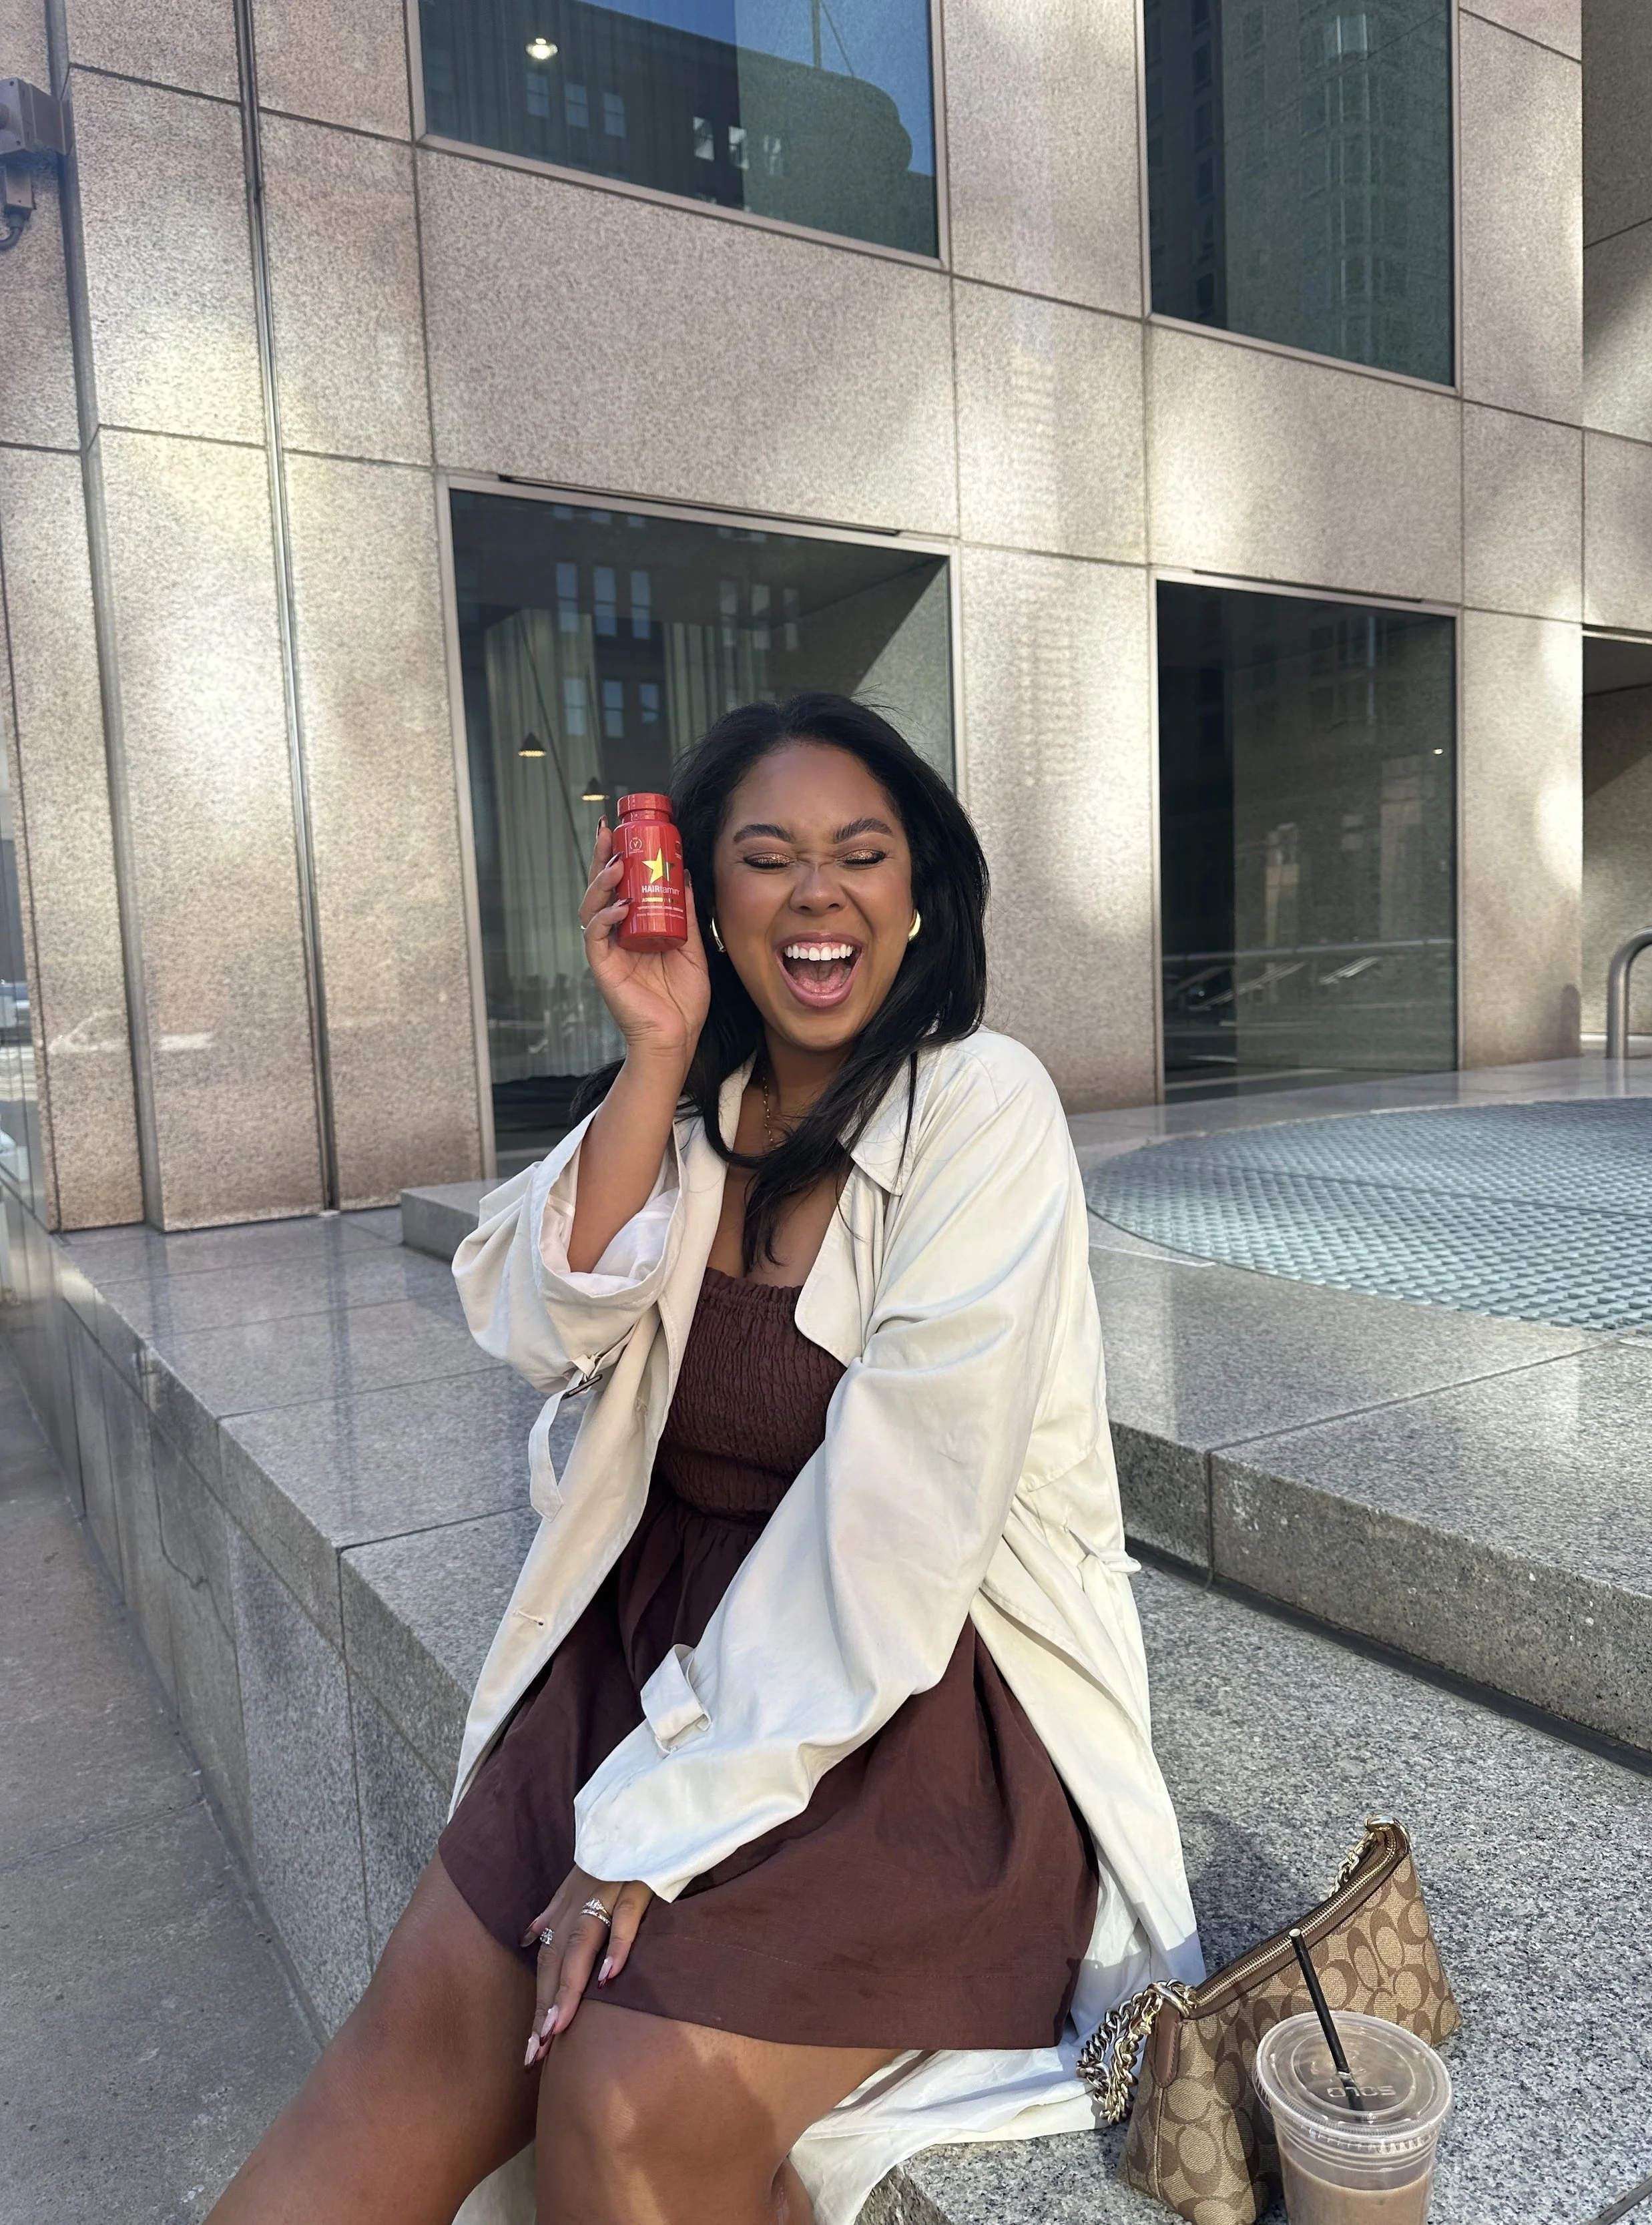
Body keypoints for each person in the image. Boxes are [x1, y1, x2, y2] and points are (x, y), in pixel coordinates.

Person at [208, 695, 1201, 2225]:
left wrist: (648, 1830)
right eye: (767, 857)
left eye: (860, 854)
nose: (819, 891)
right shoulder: (694, 1114)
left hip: (912, 1715)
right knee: (402, 2056)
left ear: (916, 892)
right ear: (712, 904)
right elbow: (530, 1309)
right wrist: (653, 1049)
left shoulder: (981, 1103)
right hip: (641, 1668)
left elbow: (896, 1527)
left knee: (621, 2102)